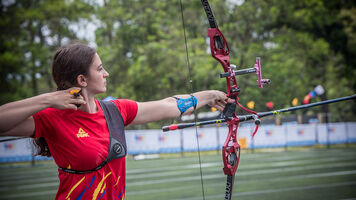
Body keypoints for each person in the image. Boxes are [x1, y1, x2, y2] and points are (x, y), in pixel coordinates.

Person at [0, 43, 232, 199]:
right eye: (100, 69)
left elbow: (169, 105)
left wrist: (209, 95)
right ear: (82, 79)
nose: (106, 73)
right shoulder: (52, 118)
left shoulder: (116, 111)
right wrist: (48, 99)